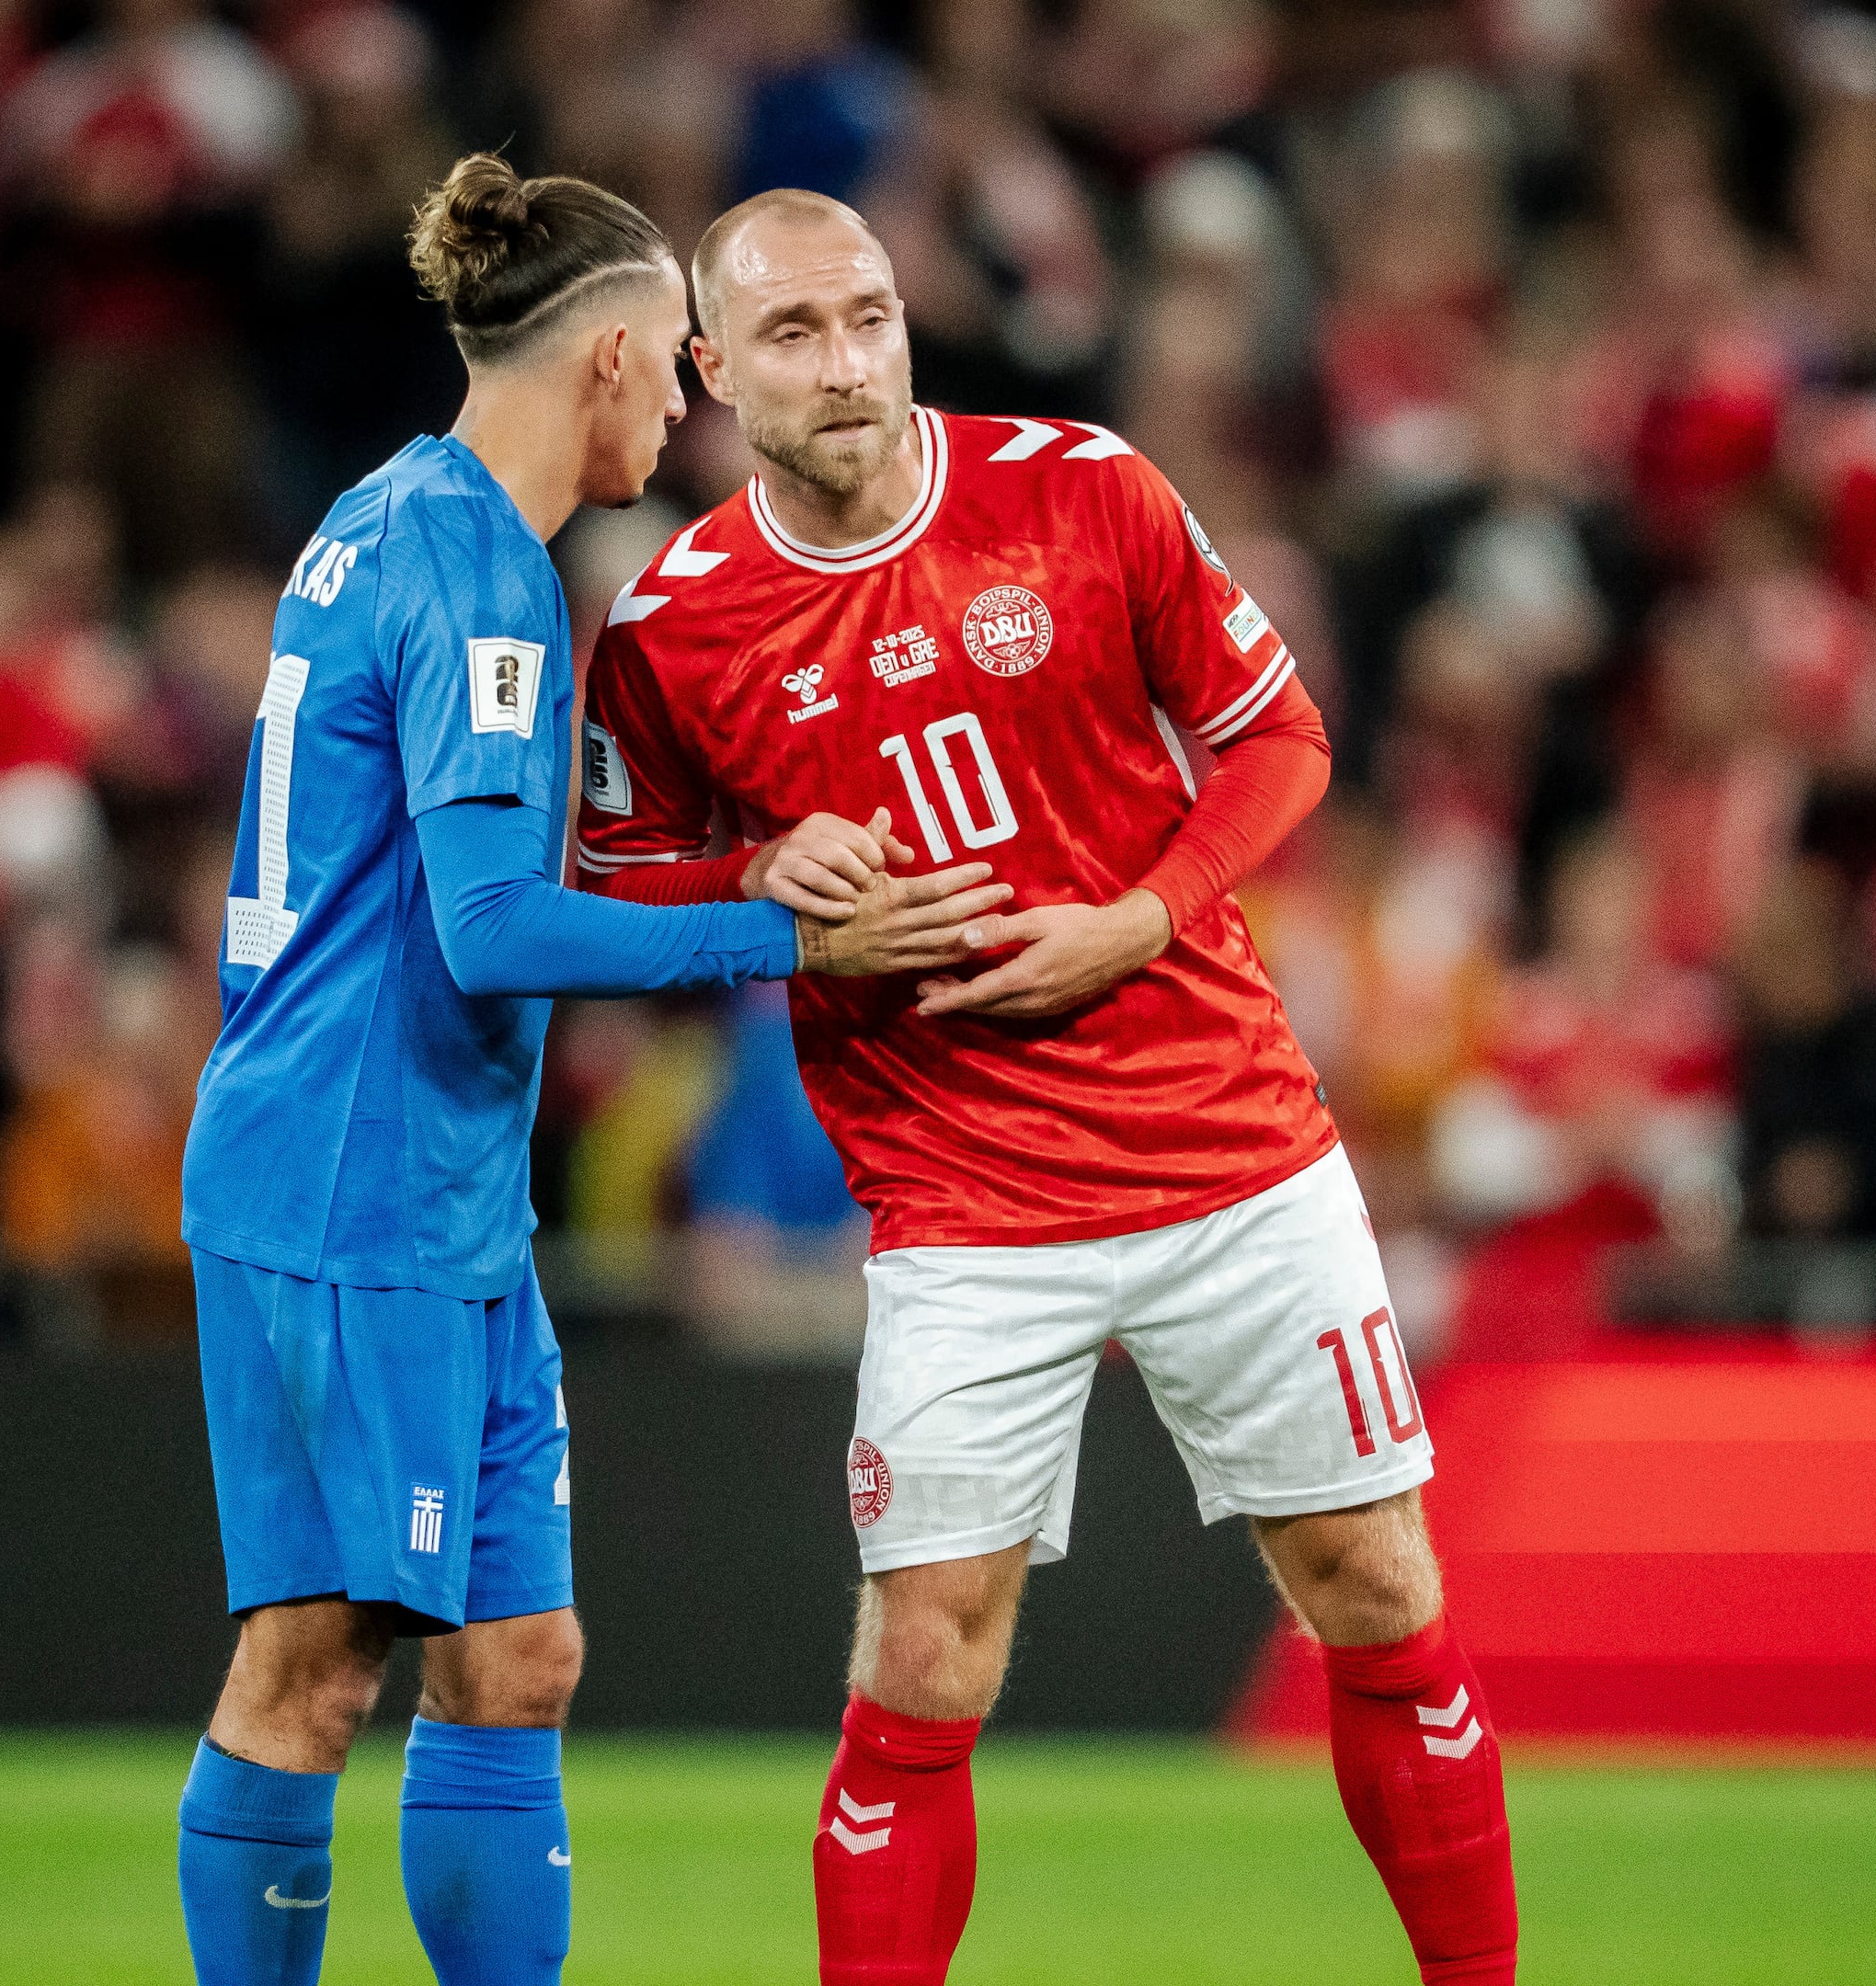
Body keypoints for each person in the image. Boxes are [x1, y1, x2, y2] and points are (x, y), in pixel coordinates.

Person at [577, 190, 1520, 1984]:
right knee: (927, 1655)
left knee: (1382, 1600)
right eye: (791, 334)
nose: (844, 363)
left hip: (1228, 1146)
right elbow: (625, 881)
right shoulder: (678, 622)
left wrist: (1142, 917)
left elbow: (1281, 740)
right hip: (961, 1197)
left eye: (868, 317)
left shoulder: (1083, 492)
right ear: (711, 371)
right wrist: (766, 895)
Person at [169, 155, 1008, 1986]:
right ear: (621, 356)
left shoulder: (395, 513)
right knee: (313, 1667)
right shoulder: (481, 576)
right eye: (685, 365)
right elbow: (489, 927)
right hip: (346, 1185)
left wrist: (739, 871)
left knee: (519, 1658)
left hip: (435, 1185)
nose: (698, 401)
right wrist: (786, 935)